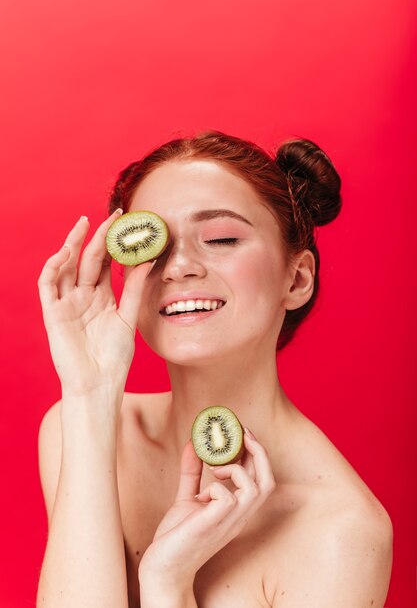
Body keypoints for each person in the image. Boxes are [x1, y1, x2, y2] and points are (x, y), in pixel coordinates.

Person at [36, 130, 393, 608]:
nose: (178, 267)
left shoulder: (341, 532)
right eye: (154, 245)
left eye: (221, 238)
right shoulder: (75, 427)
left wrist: (168, 585)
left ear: (298, 278)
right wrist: (89, 394)